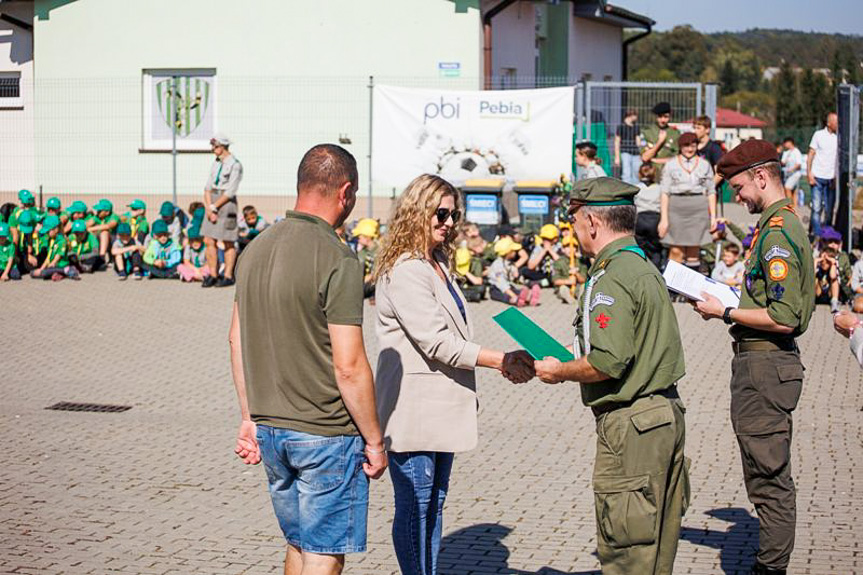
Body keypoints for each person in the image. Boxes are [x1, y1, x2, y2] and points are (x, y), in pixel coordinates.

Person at [230, 144, 387, 575]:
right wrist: (374, 439)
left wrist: (249, 416)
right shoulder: (337, 257)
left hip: (272, 429)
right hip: (326, 433)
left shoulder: (255, 248)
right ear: (347, 192)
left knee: (298, 542)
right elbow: (349, 365)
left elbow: (235, 340)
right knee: (323, 549)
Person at [372, 173, 533, 575]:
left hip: (440, 405)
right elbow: (436, 342)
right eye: (439, 213)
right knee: (417, 504)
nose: (448, 221)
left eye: (453, 214)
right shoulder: (407, 268)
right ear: (417, 212)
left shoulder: (438, 261)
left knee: (434, 502)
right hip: (412, 408)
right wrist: (501, 360)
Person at [534, 176, 689, 575]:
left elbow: (608, 360)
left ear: (592, 223)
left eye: (573, 222)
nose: (573, 231)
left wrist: (560, 371)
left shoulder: (613, 275)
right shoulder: (640, 264)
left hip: (631, 426)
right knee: (655, 551)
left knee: (627, 554)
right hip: (662, 415)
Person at [693, 139, 815, 575]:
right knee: (763, 471)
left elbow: (784, 316)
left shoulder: (778, 232)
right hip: (761, 364)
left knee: (768, 478)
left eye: (738, 187)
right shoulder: (776, 223)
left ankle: (770, 567)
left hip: (766, 365)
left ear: (762, 176)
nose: (736, 197)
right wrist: (727, 300)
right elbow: (767, 299)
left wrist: (725, 310)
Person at [659, 132, 717, 272]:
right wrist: (664, 219)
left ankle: (690, 289)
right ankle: (673, 289)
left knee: (694, 251)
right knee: (676, 250)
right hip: (677, 208)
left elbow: (711, 192)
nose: (690, 149)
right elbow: (664, 192)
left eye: (693, 145)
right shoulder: (671, 165)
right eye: (686, 145)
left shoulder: (704, 165)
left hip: (698, 208)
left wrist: (713, 217)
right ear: (680, 147)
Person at [202, 133, 243, 288]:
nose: (213, 149)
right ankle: (213, 274)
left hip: (225, 203)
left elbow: (230, 190)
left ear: (224, 146)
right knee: (209, 240)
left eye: (216, 146)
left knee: (227, 240)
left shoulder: (235, 165)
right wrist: (208, 207)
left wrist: (214, 207)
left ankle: (227, 275)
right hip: (212, 200)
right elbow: (207, 186)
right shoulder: (216, 163)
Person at [807, 112, 838, 238]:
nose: (838, 124)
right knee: (816, 208)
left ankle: (827, 233)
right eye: (836, 122)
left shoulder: (838, 138)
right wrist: (809, 173)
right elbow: (811, 154)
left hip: (831, 179)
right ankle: (817, 235)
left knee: (829, 210)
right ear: (829, 123)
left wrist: (836, 177)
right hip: (818, 177)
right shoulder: (818, 135)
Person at [813, 227, 851, 314]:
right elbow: (810, 276)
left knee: (834, 280)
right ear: (824, 243)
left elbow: (833, 276)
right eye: (830, 242)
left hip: (833, 292)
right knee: (813, 279)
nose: (833, 244)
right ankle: (811, 302)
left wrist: (833, 263)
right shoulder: (819, 254)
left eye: (836, 242)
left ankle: (834, 302)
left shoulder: (842, 257)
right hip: (819, 291)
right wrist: (816, 261)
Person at [488, 238, 536, 306]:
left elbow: (512, 271)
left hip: (508, 285)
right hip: (496, 287)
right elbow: (502, 284)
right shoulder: (498, 266)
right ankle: (514, 300)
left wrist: (515, 274)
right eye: (513, 250)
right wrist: (513, 295)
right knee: (502, 295)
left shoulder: (508, 262)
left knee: (516, 291)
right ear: (508, 253)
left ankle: (527, 297)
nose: (515, 252)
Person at [30, 215, 79, 281]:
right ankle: (59, 273)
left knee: (44, 273)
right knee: (32, 273)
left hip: (60, 265)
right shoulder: (51, 240)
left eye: (48, 231)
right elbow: (48, 257)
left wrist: (47, 268)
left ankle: (66, 270)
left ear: (55, 229)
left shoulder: (61, 241)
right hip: (53, 266)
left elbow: (56, 259)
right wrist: (41, 268)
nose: (47, 233)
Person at [634, 162, 663, 269]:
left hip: (640, 220)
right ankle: (656, 270)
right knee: (655, 249)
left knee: (640, 248)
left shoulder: (636, 188)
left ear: (640, 174)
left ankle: (641, 269)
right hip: (655, 220)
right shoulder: (660, 188)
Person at [640, 101, 681, 179]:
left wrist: (656, 160)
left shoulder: (675, 133)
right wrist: (660, 142)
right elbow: (645, 157)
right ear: (656, 116)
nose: (663, 120)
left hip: (669, 173)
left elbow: (678, 158)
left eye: (666, 117)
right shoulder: (647, 132)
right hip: (650, 174)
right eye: (660, 116)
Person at [552, 235, 586, 304]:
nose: (570, 249)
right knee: (563, 288)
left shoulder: (581, 261)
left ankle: (581, 302)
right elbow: (555, 281)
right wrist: (569, 281)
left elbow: (583, 279)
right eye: (567, 247)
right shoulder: (559, 262)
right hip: (565, 287)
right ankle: (571, 301)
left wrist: (576, 273)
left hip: (577, 287)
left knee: (584, 286)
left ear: (576, 249)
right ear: (563, 249)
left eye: (573, 247)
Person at [352, 218, 379, 299]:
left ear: (367, 237)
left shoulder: (379, 251)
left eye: (359, 236)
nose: (358, 239)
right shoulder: (362, 252)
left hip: (374, 291)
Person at [87, 199, 121, 264]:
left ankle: (101, 258)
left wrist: (92, 229)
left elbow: (109, 226)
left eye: (99, 211)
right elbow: (86, 226)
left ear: (107, 212)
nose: (97, 212)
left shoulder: (114, 216)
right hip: (103, 241)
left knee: (104, 232)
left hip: (115, 241)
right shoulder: (97, 217)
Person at [456, 236, 487, 303]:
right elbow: (478, 282)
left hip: (462, 284)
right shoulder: (475, 260)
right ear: (476, 247)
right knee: (481, 288)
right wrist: (465, 272)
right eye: (482, 245)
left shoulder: (459, 251)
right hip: (460, 283)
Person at [614, 109, 641, 184]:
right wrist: (617, 157)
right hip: (625, 152)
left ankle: (637, 191)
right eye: (636, 115)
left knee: (636, 173)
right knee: (626, 173)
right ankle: (627, 191)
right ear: (631, 115)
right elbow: (617, 142)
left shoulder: (636, 127)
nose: (637, 117)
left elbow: (638, 142)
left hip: (636, 153)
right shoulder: (621, 126)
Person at [780, 138, 804, 205]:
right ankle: (794, 208)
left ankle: (790, 206)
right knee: (793, 191)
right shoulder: (786, 152)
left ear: (790, 142)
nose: (784, 145)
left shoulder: (796, 152)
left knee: (787, 188)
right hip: (787, 175)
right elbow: (783, 162)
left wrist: (792, 169)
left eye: (785, 143)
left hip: (795, 174)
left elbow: (799, 164)